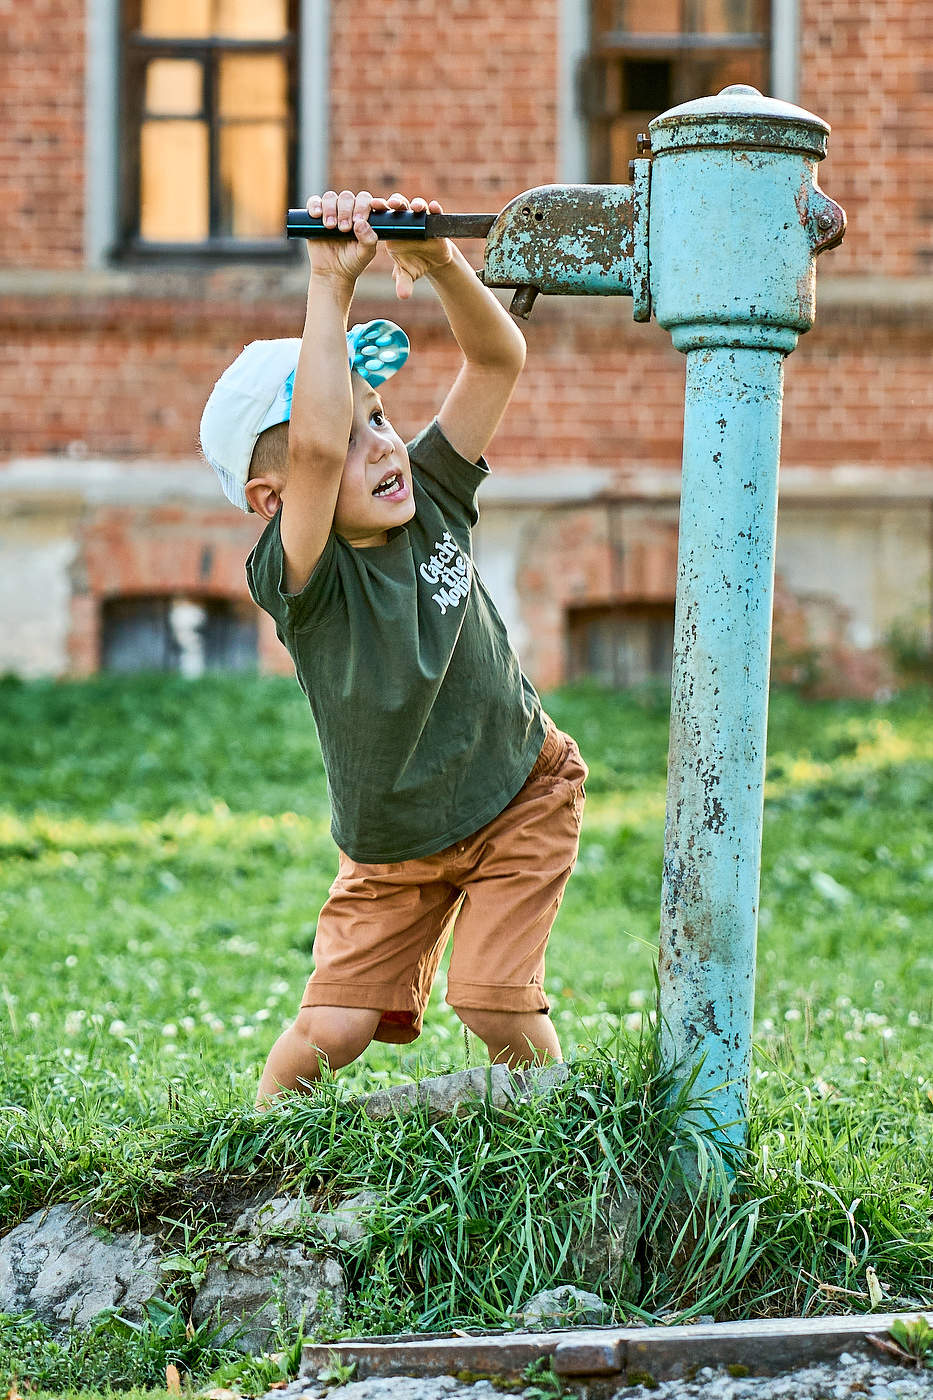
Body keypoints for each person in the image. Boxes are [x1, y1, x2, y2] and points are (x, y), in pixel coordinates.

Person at [199, 189, 587, 1107]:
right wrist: (330, 287)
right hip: (389, 851)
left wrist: (441, 262)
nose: (380, 446)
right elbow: (320, 457)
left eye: (379, 417)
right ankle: (249, 1161)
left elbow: (499, 357)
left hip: (516, 792)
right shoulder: (303, 576)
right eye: (348, 429)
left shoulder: (435, 494)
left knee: (493, 1004)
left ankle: (561, 1144)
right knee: (331, 1033)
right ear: (271, 499)